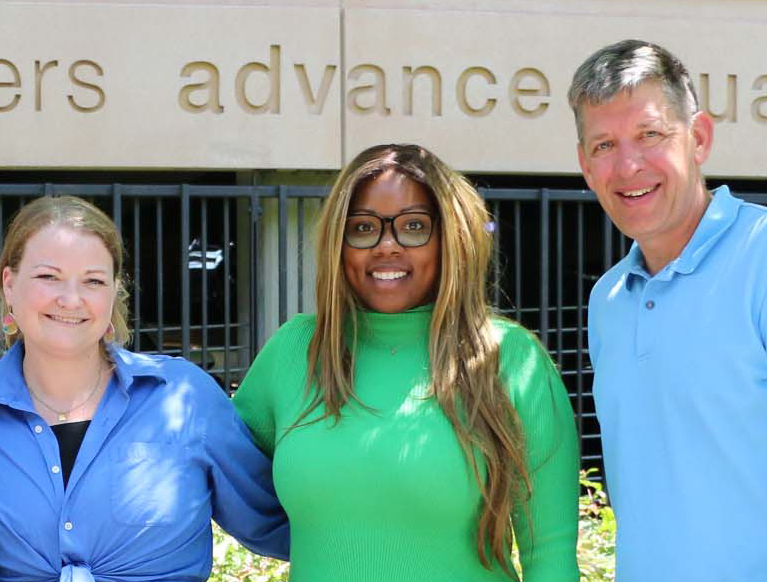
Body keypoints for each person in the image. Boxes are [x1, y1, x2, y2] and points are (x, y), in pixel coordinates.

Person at [567, 39, 767, 582]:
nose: (628, 165)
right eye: (604, 145)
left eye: (650, 135)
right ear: (584, 165)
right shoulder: (608, 301)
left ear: (698, 138)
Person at [231, 144, 579, 582]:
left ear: (449, 237)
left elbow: (550, 555)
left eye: (414, 226)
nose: (387, 246)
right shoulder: (296, 350)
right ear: (340, 245)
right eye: (363, 228)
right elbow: (208, 464)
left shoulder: (508, 358)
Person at [0, 196, 289, 581]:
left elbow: (286, 525)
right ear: (9, 284)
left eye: (93, 281)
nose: (71, 299)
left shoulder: (185, 398)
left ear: (113, 292)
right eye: (48, 277)